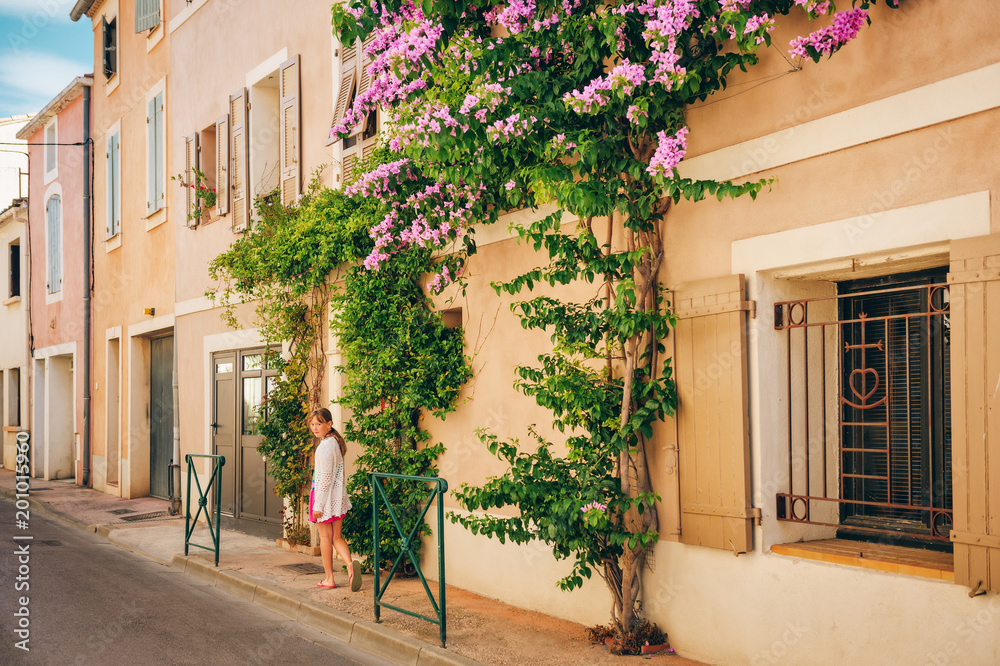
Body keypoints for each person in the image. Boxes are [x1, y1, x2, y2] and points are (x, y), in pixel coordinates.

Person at [307, 408, 362, 591]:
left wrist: (318, 505)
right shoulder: (335, 443)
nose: (315, 428)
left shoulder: (324, 448)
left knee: (325, 537)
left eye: (319, 424)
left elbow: (325, 479)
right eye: (313, 424)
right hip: (337, 497)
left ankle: (329, 578)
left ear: (329, 424)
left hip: (324, 498)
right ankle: (349, 565)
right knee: (337, 537)